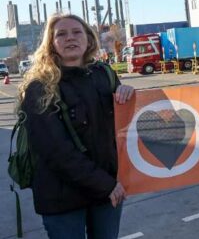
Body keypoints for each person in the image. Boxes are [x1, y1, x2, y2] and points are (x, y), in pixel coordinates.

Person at [17, 14, 134, 238]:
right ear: (51, 43)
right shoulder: (40, 87)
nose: (70, 38)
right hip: (63, 198)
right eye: (61, 34)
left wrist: (128, 94)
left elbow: (122, 129)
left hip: (107, 191)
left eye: (77, 32)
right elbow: (55, 151)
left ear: (89, 40)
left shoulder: (104, 75)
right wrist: (106, 185)